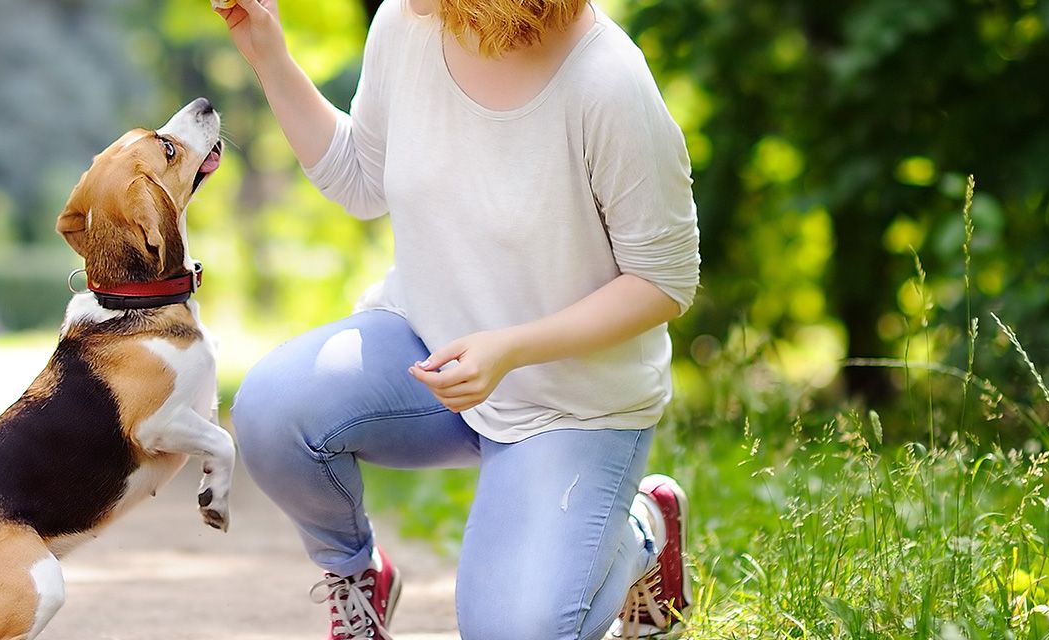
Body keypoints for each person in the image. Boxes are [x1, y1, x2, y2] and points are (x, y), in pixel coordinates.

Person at [214, 0, 702, 637]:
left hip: (572, 402)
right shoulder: (407, 23)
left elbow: (663, 281)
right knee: (274, 410)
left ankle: (642, 530)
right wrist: (269, 57)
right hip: (429, 352)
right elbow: (361, 180)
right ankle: (358, 576)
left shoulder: (608, 82)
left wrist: (512, 349)